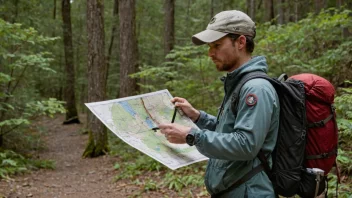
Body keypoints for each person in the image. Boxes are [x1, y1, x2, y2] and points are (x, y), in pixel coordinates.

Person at [159, 10, 280, 197]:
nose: (210, 53)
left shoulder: (256, 88)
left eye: (216, 45)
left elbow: (246, 145)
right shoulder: (239, 84)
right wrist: (197, 117)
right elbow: (229, 132)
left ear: (240, 42)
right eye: (209, 46)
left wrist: (192, 136)